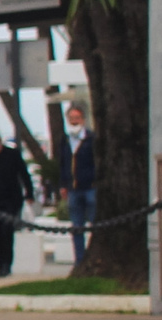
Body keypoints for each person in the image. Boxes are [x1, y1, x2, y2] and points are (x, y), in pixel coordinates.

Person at [0, 132, 34, 277]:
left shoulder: (12, 154)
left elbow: (24, 174)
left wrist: (29, 193)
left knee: (7, 232)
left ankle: (7, 264)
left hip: (11, 200)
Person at [61, 105, 101, 263]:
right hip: (73, 188)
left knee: (94, 222)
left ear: (83, 119)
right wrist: (63, 184)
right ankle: (79, 259)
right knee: (76, 226)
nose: (74, 121)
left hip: (89, 187)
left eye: (77, 118)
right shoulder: (65, 139)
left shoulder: (90, 139)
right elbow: (63, 163)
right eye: (71, 118)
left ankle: (95, 257)